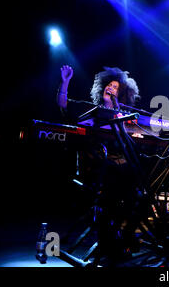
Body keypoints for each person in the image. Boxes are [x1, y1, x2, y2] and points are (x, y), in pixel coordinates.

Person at [56, 65, 143, 265]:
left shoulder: (124, 115)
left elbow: (135, 137)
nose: (111, 88)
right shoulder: (93, 110)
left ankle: (125, 238)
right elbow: (63, 104)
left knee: (142, 199)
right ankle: (111, 246)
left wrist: (135, 132)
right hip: (102, 167)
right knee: (109, 204)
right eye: (109, 85)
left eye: (115, 88)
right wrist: (66, 81)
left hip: (124, 168)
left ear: (121, 95)